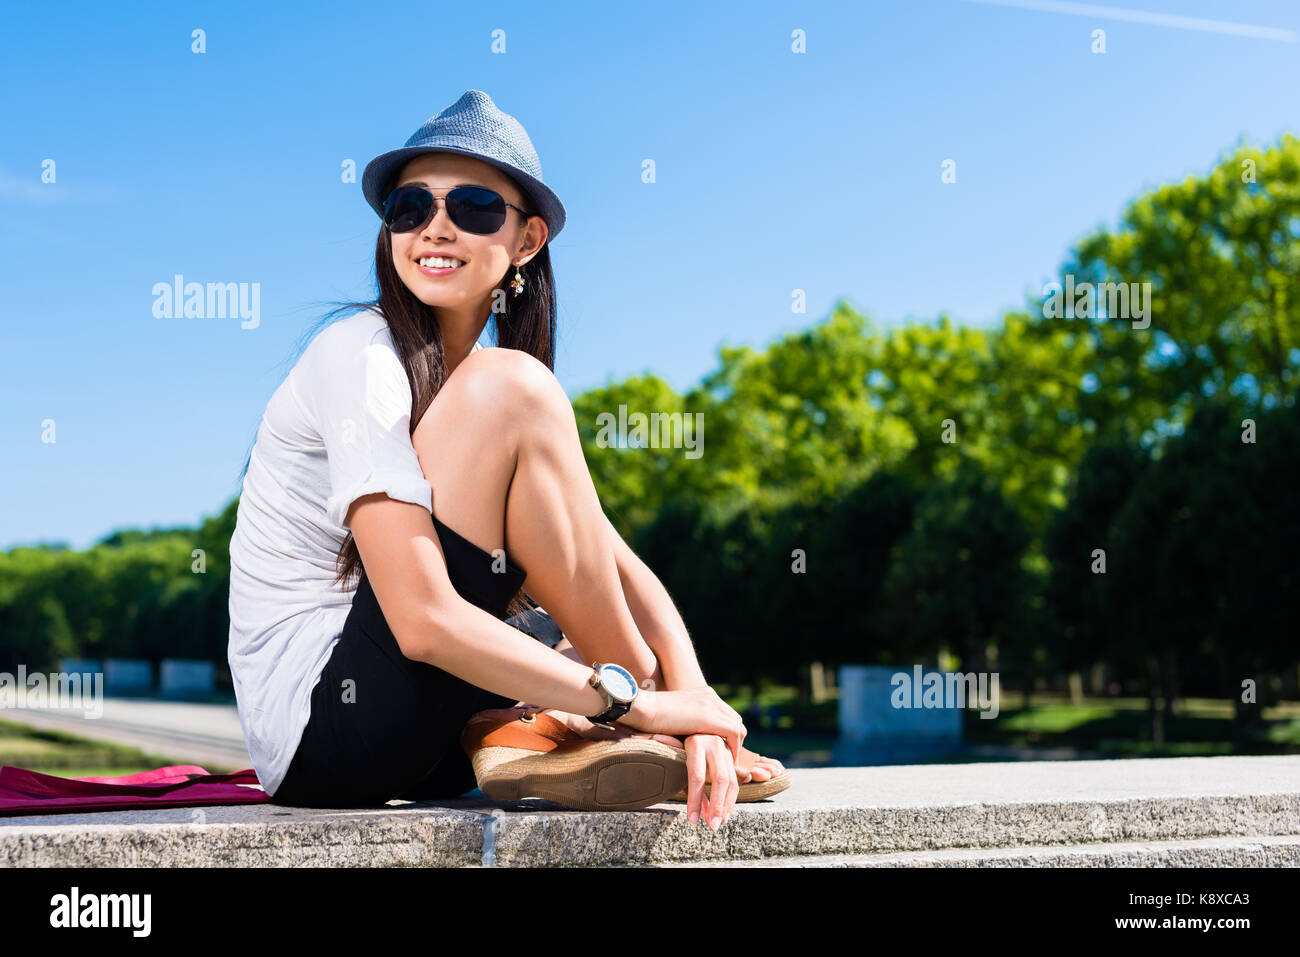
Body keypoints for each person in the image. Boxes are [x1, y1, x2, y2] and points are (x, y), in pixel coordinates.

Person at [227, 90, 786, 832]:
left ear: (526, 241)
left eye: (474, 207)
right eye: (410, 207)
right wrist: (641, 701)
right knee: (515, 387)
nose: (436, 227)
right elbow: (423, 622)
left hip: (421, 726)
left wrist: (699, 702)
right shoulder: (361, 356)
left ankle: (546, 731)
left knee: (560, 553)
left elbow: (607, 560)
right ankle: (609, 723)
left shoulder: (485, 389)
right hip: (329, 732)